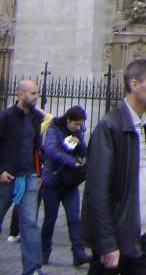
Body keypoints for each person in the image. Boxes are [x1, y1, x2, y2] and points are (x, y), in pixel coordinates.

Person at [80, 58, 146, 275]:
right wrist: (107, 242)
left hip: (141, 236)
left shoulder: (142, 126)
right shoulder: (109, 127)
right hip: (117, 237)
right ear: (134, 85)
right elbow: (97, 192)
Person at [0, 79, 44, 275]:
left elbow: (36, 147)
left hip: (29, 176)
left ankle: (33, 269)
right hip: (7, 177)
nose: (36, 97)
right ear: (20, 94)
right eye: (33, 93)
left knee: (30, 224)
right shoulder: (6, 117)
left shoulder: (35, 118)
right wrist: (1, 170)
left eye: (37, 93)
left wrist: (38, 172)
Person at [41, 105, 89, 266]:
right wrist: (71, 161)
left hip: (69, 181)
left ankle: (78, 253)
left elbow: (83, 152)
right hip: (53, 180)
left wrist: (79, 143)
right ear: (68, 119)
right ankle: (44, 252)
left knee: (74, 218)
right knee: (50, 218)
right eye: (76, 124)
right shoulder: (54, 128)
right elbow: (51, 151)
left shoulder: (77, 131)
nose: (78, 127)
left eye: (80, 125)